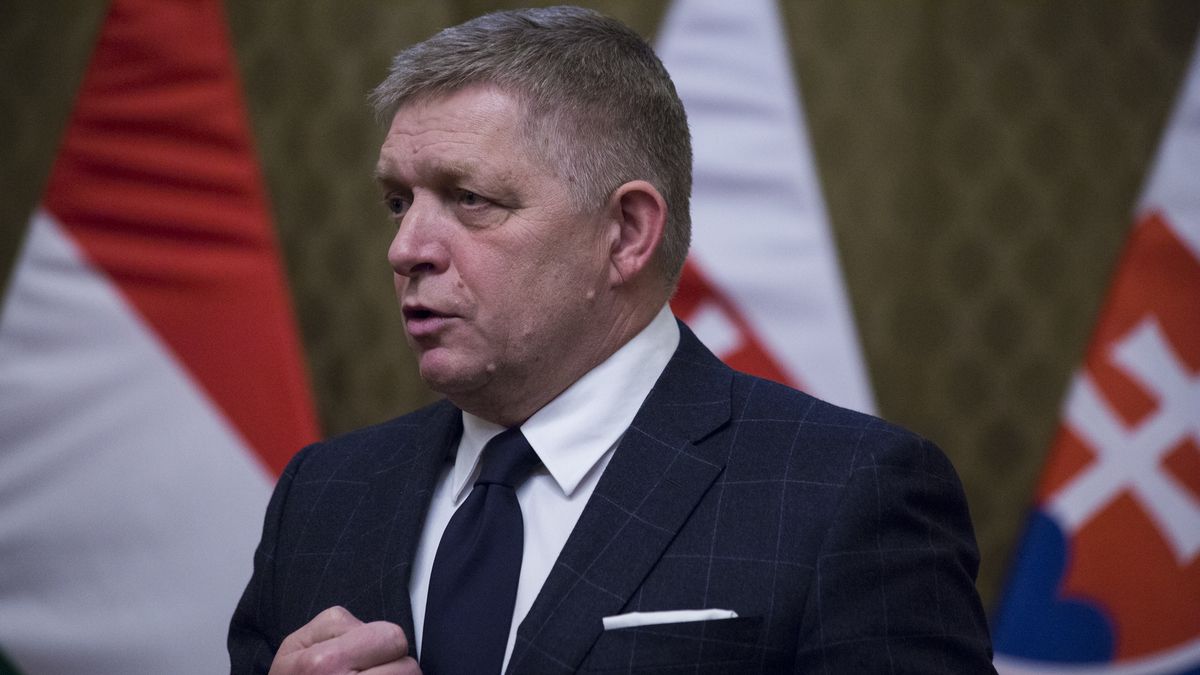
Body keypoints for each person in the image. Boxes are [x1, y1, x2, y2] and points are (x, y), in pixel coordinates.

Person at [228, 6, 996, 674]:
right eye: (399, 201)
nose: (407, 248)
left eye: (469, 198)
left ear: (626, 233)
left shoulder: (847, 492)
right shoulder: (322, 493)